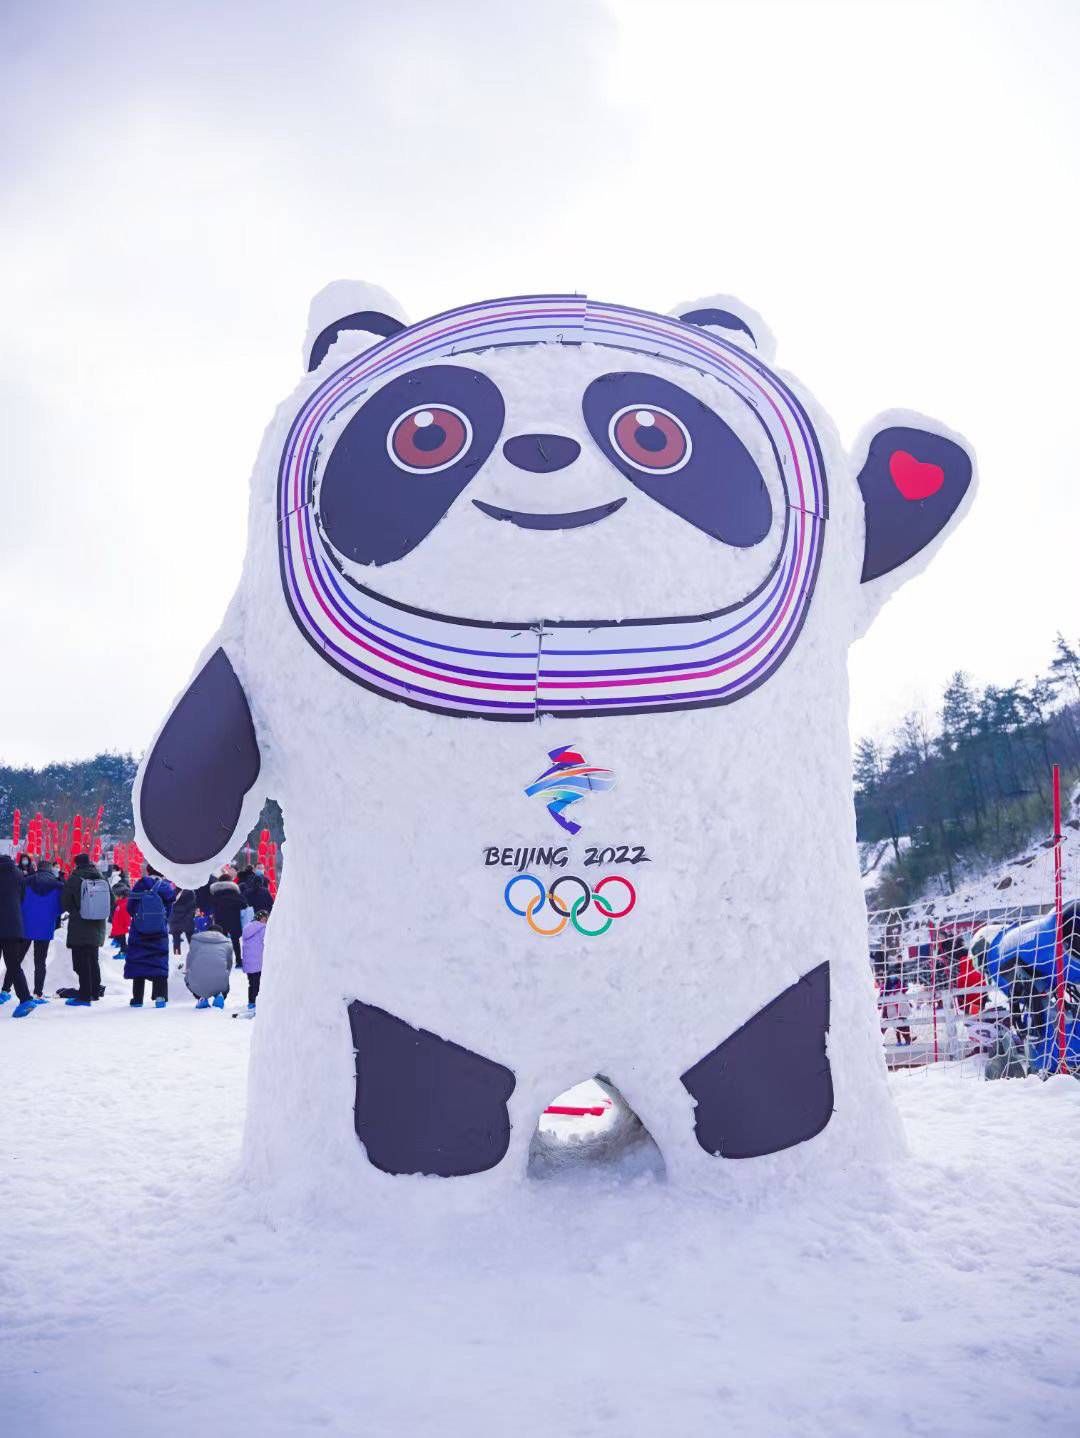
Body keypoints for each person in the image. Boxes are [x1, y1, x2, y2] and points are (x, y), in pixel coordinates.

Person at [61, 851, 114, 1007]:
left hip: (80, 925)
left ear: (77, 864)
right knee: (93, 959)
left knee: (81, 961)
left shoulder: (74, 879)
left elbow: (65, 902)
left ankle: (85, 996)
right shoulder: (101, 877)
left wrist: (77, 912)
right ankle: (95, 992)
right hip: (97, 925)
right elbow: (111, 900)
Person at [7, 857, 63, 999]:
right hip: (45, 927)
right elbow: (60, 908)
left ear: (38, 868)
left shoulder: (26, 882)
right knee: (40, 962)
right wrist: (51, 915)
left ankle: (5, 989)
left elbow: (19, 901)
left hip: (26, 926)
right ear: (51, 870)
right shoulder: (57, 885)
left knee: (16, 960)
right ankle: (38, 993)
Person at [124, 866, 175, 1008]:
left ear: (148, 871)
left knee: (138, 962)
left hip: (139, 930)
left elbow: (130, 907)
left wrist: (140, 918)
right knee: (159, 963)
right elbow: (169, 910)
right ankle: (160, 997)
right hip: (159, 932)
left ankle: (137, 999)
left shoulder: (141, 885)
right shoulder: (166, 887)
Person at [0, 846, 37, 1017]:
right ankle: (26, 999)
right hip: (14, 925)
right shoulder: (18, 874)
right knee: (13, 964)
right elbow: (21, 898)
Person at [184, 922, 234, 1009]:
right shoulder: (227, 943)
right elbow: (229, 965)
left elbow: (189, 960)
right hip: (219, 978)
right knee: (224, 980)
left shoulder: (196, 941)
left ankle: (201, 997)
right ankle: (220, 994)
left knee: (188, 980)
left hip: (198, 978)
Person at [206, 869, 245, 969]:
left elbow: (210, 904)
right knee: (235, 941)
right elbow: (244, 904)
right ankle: (238, 961)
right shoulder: (235, 893)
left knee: (221, 941)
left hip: (220, 920)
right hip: (234, 920)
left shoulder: (215, 894)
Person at [240, 910, 268, 1010]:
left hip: (249, 963)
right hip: (258, 962)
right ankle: (257, 1003)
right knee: (258, 984)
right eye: (265, 919)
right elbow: (267, 942)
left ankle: (251, 1002)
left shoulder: (247, 928)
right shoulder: (263, 929)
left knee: (252, 984)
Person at [168, 887, 197, 960]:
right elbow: (193, 907)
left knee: (176, 942)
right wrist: (189, 917)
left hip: (175, 920)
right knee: (191, 941)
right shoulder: (190, 893)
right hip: (187, 920)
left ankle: (177, 959)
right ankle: (194, 958)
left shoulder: (173, 892)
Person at [110, 883, 131, 955]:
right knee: (122, 941)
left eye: (115, 896)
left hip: (123, 929)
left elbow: (127, 919)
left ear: (121, 896)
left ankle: (124, 952)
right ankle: (123, 951)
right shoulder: (119, 904)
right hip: (120, 929)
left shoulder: (123, 905)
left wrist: (126, 926)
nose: (114, 898)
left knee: (123, 942)